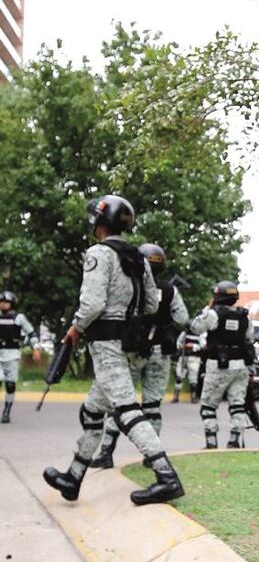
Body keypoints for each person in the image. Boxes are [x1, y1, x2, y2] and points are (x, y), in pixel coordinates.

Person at [42, 195, 185, 505]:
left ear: (99, 223)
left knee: (126, 410)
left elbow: (92, 304)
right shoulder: (139, 258)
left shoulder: (98, 254)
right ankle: (73, 478)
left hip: (106, 345)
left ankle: (166, 477)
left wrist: (76, 327)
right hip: (130, 344)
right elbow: (150, 304)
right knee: (93, 412)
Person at [89, 244, 189, 469]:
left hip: (132, 351)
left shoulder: (131, 286)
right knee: (152, 405)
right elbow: (182, 318)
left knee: (120, 404)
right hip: (159, 354)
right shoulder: (170, 291)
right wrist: (164, 325)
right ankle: (151, 457)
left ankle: (106, 452)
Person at [188, 281, 254, 449]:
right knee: (237, 405)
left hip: (218, 365)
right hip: (241, 366)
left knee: (208, 406)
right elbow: (249, 341)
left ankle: (211, 443)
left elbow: (195, 327)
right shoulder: (244, 316)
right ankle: (234, 440)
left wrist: (206, 309)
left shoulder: (213, 314)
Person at [0, 291, 41, 424]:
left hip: (12, 354)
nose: (3, 304)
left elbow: (31, 332)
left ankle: (6, 411)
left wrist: (36, 348)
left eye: (6, 302)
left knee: (10, 384)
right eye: (1, 301)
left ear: (11, 304)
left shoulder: (18, 318)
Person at [172, 328, 203, 403]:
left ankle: (193, 396)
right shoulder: (184, 333)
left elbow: (203, 345)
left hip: (194, 358)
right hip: (183, 357)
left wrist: (193, 346)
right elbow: (178, 343)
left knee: (193, 378)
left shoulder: (200, 334)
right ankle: (176, 396)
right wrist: (182, 346)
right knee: (179, 376)